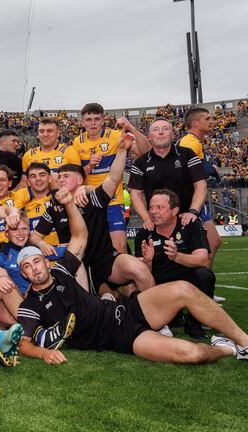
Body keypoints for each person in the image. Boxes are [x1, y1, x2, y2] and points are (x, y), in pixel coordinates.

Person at [17, 192, 248, 365]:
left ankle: (244, 341)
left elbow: (80, 235)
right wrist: (44, 352)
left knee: (183, 289)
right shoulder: (30, 305)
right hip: (122, 338)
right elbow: (23, 343)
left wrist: (68, 203)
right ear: (23, 274)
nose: (34, 269)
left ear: (46, 262)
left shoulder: (61, 271)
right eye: (27, 267)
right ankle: (227, 349)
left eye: (36, 261)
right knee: (192, 354)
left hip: (127, 310)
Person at [32, 133, 154, 297]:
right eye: (59, 177)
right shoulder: (55, 208)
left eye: (66, 176)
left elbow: (114, 177)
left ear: (80, 180)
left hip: (105, 259)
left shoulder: (93, 199)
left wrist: (121, 150)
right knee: (104, 297)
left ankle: (155, 316)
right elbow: (34, 235)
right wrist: (41, 243)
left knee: (139, 269)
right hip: (77, 264)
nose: (60, 180)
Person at [128, 118, 212, 266]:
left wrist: (193, 211)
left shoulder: (187, 155)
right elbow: (135, 194)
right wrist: (146, 217)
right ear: (149, 137)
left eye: (165, 129)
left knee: (201, 268)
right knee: (152, 267)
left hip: (186, 219)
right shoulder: (140, 163)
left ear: (173, 134)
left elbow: (200, 184)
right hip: (157, 223)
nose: (161, 132)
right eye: (156, 129)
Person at [134, 189, 214, 339]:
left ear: (175, 210)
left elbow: (203, 259)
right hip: (159, 284)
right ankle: (171, 316)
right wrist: (148, 262)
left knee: (204, 275)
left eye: (160, 207)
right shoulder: (144, 234)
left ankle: (194, 322)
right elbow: (142, 275)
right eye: (151, 207)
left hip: (186, 278)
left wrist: (177, 256)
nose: (153, 212)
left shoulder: (190, 225)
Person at [71, 103, 150, 254]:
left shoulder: (115, 136)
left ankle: (126, 275)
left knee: (119, 248)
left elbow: (145, 152)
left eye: (96, 119)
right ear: (82, 122)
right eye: (88, 119)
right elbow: (76, 178)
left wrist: (132, 129)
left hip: (113, 201)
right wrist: (89, 166)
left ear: (103, 120)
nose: (93, 123)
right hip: (90, 202)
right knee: (92, 248)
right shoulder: (76, 143)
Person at [178, 107, 222, 266]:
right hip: (190, 200)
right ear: (195, 123)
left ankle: (201, 283)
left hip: (194, 198)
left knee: (213, 241)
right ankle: (201, 284)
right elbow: (185, 167)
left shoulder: (194, 141)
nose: (212, 121)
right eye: (208, 119)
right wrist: (210, 169)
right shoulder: (190, 141)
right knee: (211, 242)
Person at [18, 117, 81, 187]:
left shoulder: (70, 152)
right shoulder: (28, 155)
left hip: (63, 196)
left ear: (58, 133)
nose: (45, 134)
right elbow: (23, 183)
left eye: (49, 131)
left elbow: (78, 181)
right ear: (38, 134)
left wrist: (59, 177)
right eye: (41, 131)